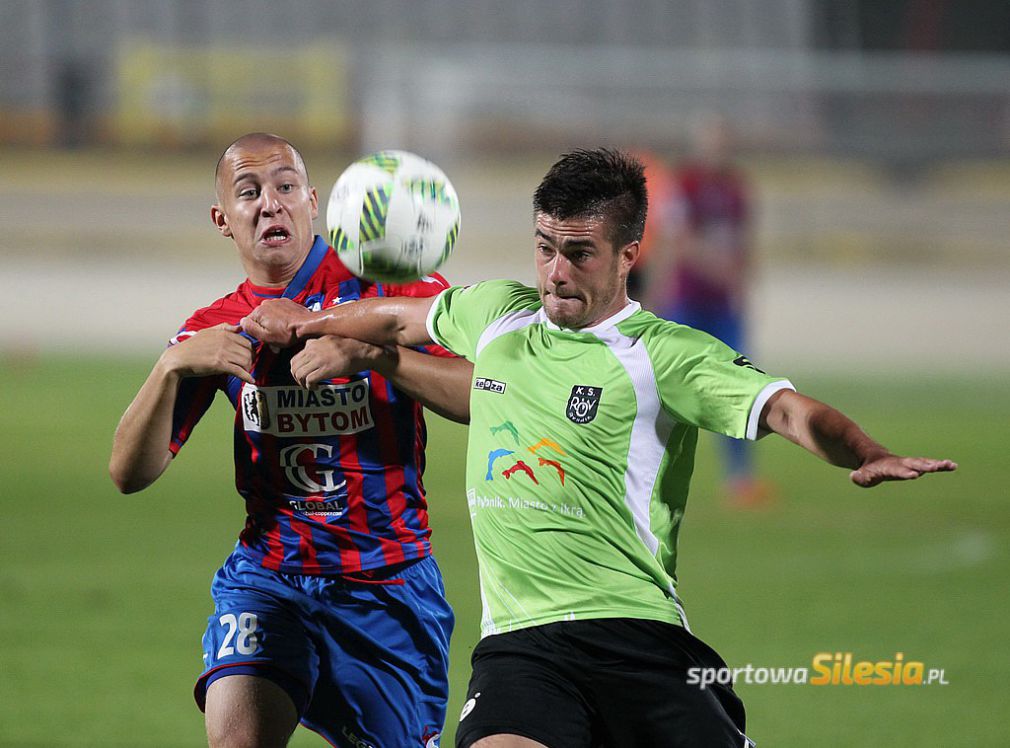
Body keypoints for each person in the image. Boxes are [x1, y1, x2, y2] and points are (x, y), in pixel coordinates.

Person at [241, 148, 957, 748]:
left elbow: (788, 411)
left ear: (628, 254)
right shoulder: (497, 314)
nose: (556, 271)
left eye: (579, 254)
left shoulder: (667, 355)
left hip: (639, 637)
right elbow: (400, 319)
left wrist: (864, 450)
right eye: (547, 249)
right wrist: (312, 325)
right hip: (522, 647)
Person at [109, 133, 472, 748]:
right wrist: (170, 367)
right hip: (268, 575)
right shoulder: (215, 328)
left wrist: (375, 356)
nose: (269, 204)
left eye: (284, 187)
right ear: (224, 219)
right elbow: (128, 472)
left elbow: (481, 394)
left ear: (312, 199)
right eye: (248, 192)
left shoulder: (387, 290)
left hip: (384, 583)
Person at [644, 113, 768, 507]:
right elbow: (677, 240)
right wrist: (717, 270)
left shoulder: (737, 188)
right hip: (687, 301)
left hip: (723, 307)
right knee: (667, 392)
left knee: (738, 387)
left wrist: (743, 280)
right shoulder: (685, 184)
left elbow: (744, 239)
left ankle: (740, 478)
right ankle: (646, 473)